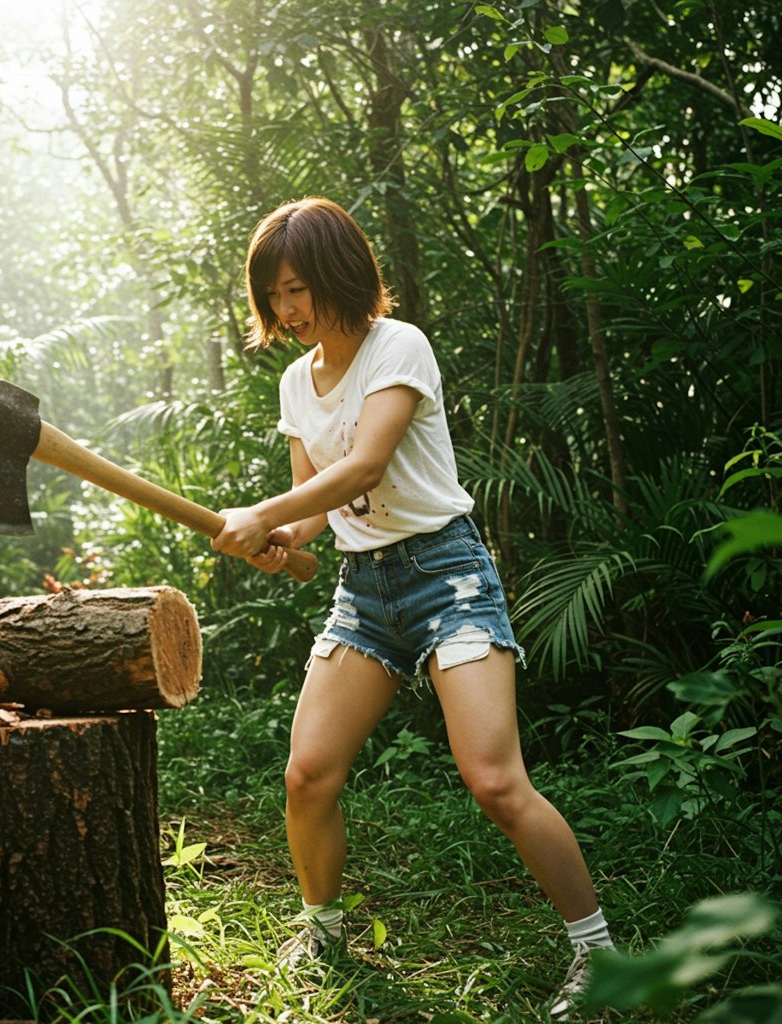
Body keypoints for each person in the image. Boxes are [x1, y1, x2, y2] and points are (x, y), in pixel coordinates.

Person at [211, 196, 613, 1017]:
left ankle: (599, 953)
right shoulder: (297, 379)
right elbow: (313, 504)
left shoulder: (400, 346)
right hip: (364, 592)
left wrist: (261, 515)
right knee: (307, 775)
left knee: (496, 781)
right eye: (273, 295)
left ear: (337, 273)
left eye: (297, 289)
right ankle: (320, 928)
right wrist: (279, 536)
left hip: (447, 575)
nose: (286, 310)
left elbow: (363, 467)